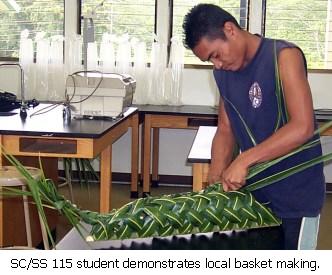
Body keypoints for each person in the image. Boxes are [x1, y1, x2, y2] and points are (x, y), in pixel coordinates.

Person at [183, 3, 325, 250]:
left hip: (296, 196)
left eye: (215, 55)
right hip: (256, 197)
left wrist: (243, 160)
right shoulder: (223, 74)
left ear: (230, 30)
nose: (216, 65)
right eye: (209, 61)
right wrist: (215, 185)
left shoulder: (283, 56)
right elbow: (226, 130)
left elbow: (302, 126)